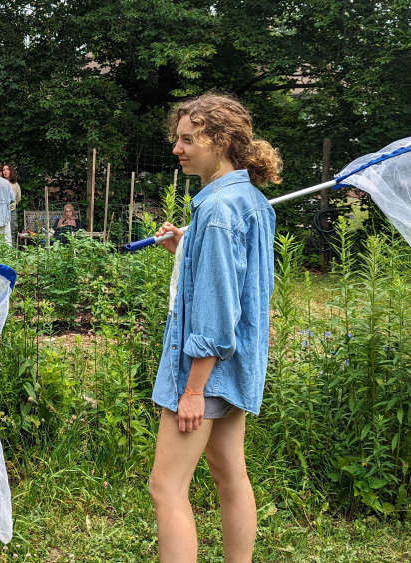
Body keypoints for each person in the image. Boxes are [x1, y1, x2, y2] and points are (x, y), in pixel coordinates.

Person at [149, 93, 279, 563]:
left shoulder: (221, 212)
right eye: (177, 139)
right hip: (236, 366)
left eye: (188, 139)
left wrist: (193, 389)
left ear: (220, 141)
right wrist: (186, 249)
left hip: (205, 371)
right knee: (229, 473)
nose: (177, 149)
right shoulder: (248, 200)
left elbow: (220, 310)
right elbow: (235, 283)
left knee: (166, 487)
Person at [2, 164, 21, 240]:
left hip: (12, 210)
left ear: (11, 171)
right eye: (3, 170)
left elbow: (18, 198)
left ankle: (12, 249)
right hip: (1, 211)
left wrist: (13, 204)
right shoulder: (1, 183)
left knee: (13, 230)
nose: (5, 171)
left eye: (7, 169)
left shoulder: (15, 185)